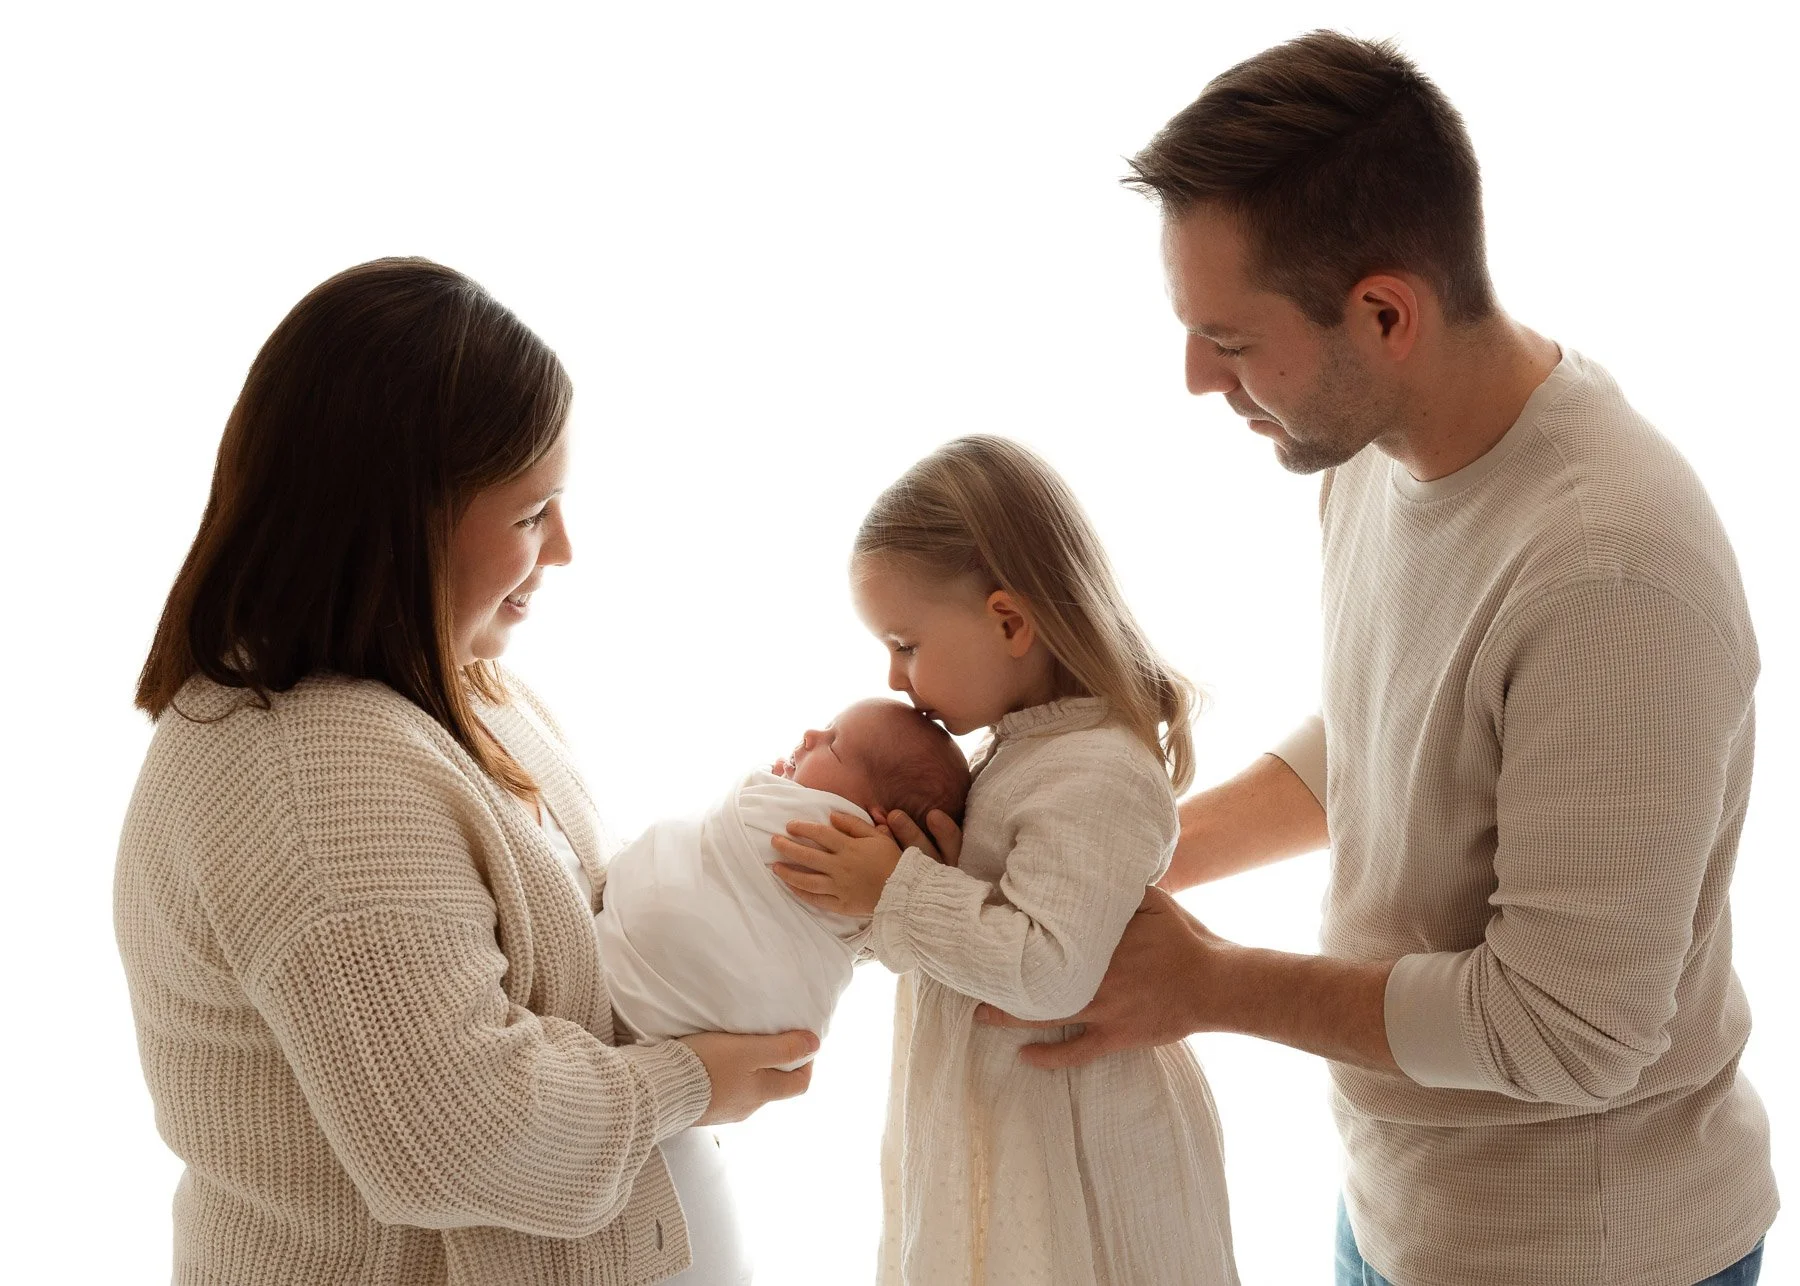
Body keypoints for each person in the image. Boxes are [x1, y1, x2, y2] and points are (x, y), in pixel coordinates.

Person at [974, 31, 1776, 1286]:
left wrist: (1210, 984)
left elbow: (1570, 1031)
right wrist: (1130, 854)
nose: (1194, 378)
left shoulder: (1613, 573)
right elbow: (1391, 727)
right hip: (1403, 1210)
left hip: (1588, 1256)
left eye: (1228, 339)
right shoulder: (1379, 447)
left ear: (1385, 312)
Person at [114, 257, 815, 1286]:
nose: (565, 549)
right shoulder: (313, 776)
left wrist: (786, 860)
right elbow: (457, 1132)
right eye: (532, 514)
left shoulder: (470, 692)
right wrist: (688, 1084)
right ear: (398, 516)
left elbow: (577, 949)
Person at [770, 436, 1238, 1286]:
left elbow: (1049, 971)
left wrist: (899, 892)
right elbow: (956, 937)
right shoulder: (1013, 755)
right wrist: (882, 891)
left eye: (905, 643)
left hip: (1076, 1136)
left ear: (1010, 622)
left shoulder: (1099, 770)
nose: (894, 673)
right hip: (1002, 1118)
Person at [595, 698, 969, 1064]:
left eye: (833, 745)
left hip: (673, 987)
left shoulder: (836, 838)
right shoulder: (796, 817)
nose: (810, 735)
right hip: (723, 1020)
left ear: (878, 820)